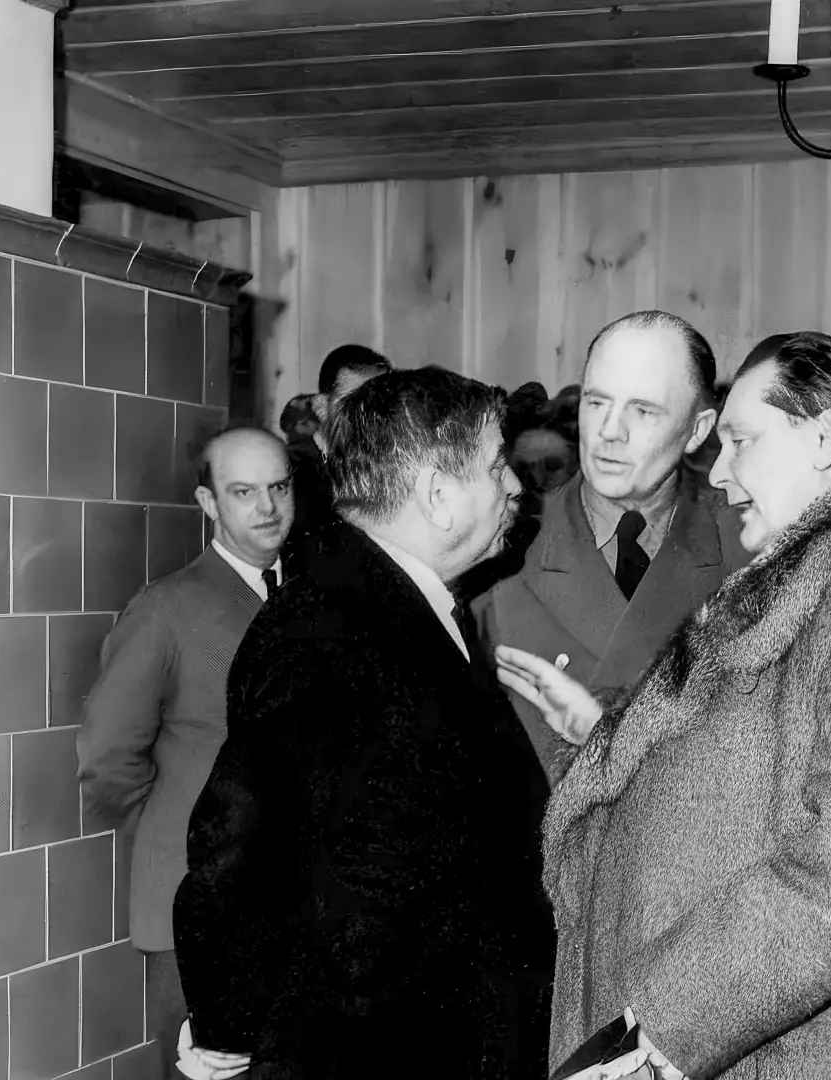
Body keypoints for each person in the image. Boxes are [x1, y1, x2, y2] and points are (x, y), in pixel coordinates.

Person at [496, 331, 831, 1079]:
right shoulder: (827, 581)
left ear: (825, 438)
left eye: (741, 442)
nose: (719, 473)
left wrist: (661, 1031)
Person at [173, 368, 554, 1080]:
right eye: (496, 465)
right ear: (438, 495)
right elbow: (236, 850)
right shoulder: (321, 630)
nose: (514, 486)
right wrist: (230, 1030)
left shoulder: (402, 604)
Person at [76, 427, 291, 1080]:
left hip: (288, 901)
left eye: (280, 487)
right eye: (244, 492)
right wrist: (175, 832)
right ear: (208, 503)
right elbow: (107, 756)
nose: (267, 507)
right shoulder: (166, 608)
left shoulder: (310, 598)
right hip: (195, 903)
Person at [473, 311, 749, 781]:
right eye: (597, 402)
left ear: (698, 430)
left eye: (643, 410)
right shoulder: (499, 555)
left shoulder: (750, 552)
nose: (610, 430)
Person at [283, 345, 393, 574]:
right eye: (354, 402)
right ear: (322, 406)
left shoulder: (387, 468)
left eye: (380, 402)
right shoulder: (291, 472)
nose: (370, 414)